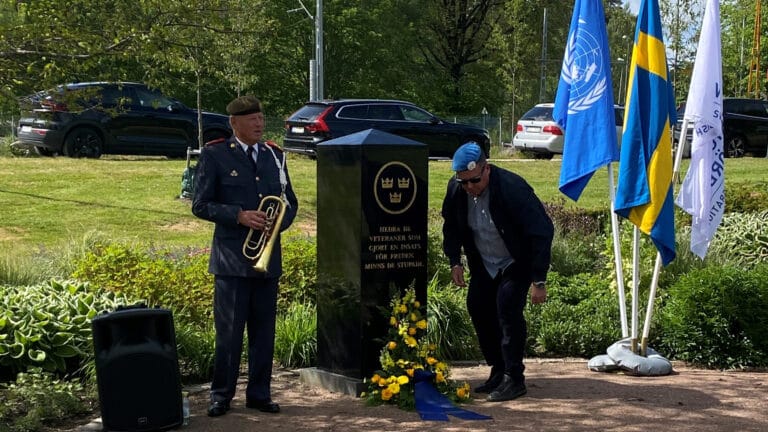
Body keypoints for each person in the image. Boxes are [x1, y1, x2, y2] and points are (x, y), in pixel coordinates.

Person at [192, 95, 298, 417]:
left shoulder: (274, 156)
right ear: (234, 123)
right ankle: (221, 396)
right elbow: (200, 205)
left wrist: (276, 225)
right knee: (229, 334)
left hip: (267, 260)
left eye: (261, 118)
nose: (259, 124)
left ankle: (259, 394)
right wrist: (238, 215)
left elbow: (289, 202)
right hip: (232, 262)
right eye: (252, 119)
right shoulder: (216, 155)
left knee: (264, 334)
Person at [441, 141, 553, 402]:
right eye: (464, 182)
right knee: (478, 307)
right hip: (484, 261)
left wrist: (538, 279)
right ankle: (498, 368)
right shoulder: (457, 190)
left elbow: (542, 231)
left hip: (516, 260)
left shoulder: (513, 189)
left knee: (507, 309)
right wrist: (454, 261)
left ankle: (514, 378)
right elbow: (451, 226)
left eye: (475, 180)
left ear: (487, 169)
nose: (470, 187)